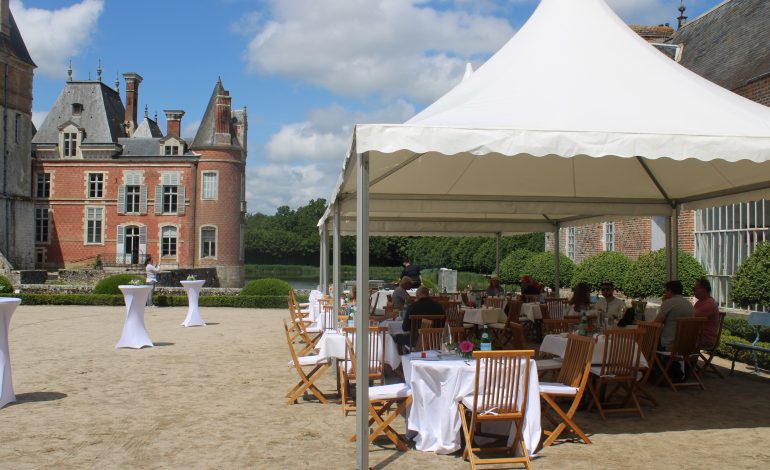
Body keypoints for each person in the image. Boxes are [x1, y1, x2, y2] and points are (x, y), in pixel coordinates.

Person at [655, 280, 694, 352]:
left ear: (669, 291)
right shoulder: (689, 304)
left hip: (670, 345)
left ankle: (651, 362)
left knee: (646, 340)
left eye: (665, 291)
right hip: (687, 345)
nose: (665, 293)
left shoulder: (669, 302)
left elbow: (656, 323)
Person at [693, 278, 720, 349]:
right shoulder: (700, 302)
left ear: (703, 289)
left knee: (675, 338)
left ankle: (685, 359)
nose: (693, 291)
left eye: (695, 289)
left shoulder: (709, 304)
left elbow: (691, 317)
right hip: (698, 336)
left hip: (705, 339)